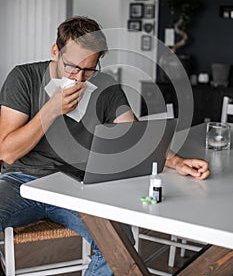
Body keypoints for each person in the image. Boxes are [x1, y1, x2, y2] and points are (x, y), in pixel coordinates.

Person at [0, 16, 210, 276]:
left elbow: (136, 135)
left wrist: (177, 162)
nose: (79, 78)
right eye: (72, 67)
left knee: (119, 245)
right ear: (55, 52)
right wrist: (50, 110)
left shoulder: (106, 87)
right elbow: (7, 151)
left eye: (89, 69)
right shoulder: (24, 77)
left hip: (77, 185)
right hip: (21, 181)